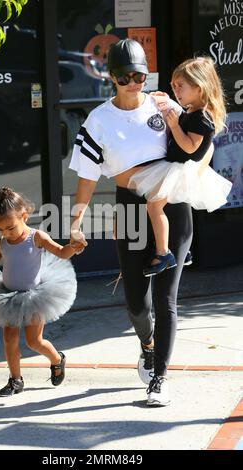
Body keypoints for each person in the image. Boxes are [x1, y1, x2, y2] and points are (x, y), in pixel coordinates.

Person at [69, 38, 215, 406]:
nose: (136, 83)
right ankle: (147, 346)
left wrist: (190, 172)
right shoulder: (98, 120)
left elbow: (203, 141)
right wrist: (76, 222)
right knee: (137, 302)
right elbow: (87, 177)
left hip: (171, 206)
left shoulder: (164, 103)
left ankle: (160, 378)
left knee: (167, 299)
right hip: (132, 208)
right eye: (127, 77)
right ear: (111, 77)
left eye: (141, 75)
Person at [0, 187, 83, 397]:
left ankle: (57, 359)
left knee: (34, 341)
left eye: (10, 227)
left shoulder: (37, 237)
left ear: (24, 216)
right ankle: (15, 379)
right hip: (8, 298)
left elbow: (61, 252)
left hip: (35, 297)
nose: (5, 233)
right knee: (9, 339)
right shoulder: (1, 244)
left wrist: (74, 247)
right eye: (0, 229)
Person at [128, 57, 232, 277]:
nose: (176, 90)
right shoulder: (193, 111)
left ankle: (164, 253)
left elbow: (189, 147)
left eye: (180, 86)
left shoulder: (202, 117)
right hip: (176, 168)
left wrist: (174, 125)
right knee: (161, 208)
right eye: (173, 86)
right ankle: (183, 252)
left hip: (180, 168)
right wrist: (168, 104)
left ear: (199, 87)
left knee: (154, 207)